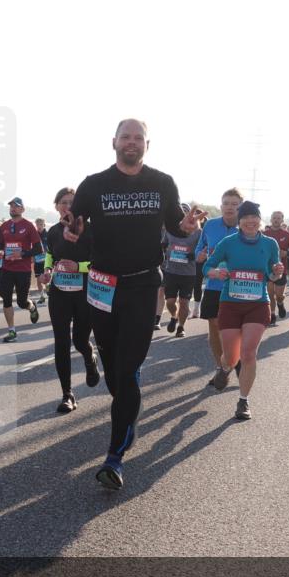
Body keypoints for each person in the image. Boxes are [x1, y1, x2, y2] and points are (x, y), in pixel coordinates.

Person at [67, 118, 203, 490]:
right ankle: (128, 405)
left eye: (138, 138)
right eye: (125, 137)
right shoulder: (94, 184)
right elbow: (75, 226)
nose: (131, 142)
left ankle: (114, 457)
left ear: (147, 144)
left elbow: (174, 225)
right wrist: (72, 231)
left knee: (127, 372)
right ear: (114, 142)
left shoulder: (162, 182)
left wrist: (186, 227)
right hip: (102, 285)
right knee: (114, 372)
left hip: (143, 284)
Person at [203, 201, 284, 420]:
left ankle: (243, 400)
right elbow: (207, 266)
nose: (250, 221)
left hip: (258, 304)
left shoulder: (270, 244)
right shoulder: (228, 242)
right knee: (231, 357)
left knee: (248, 353)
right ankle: (225, 369)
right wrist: (216, 273)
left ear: (259, 220)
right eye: (245, 217)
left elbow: (272, 274)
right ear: (239, 222)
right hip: (230, 303)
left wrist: (277, 272)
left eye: (254, 217)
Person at [39, 187, 99, 412]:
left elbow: (100, 261)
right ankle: (67, 394)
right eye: (63, 202)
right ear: (56, 206)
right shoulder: (54, 231)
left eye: (72, 202)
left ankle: (90, 357)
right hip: (59, 293)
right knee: (61, 342)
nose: (67, 206)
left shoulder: (91, 230)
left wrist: (79, 267)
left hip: (85, 293)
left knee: (80, 340)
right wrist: (47, 271)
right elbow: (50, 255)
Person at [195, 189, 242, 384]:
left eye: (234, 204)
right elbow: (200, 248)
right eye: (226, 203)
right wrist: (200, 255)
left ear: (240, 207)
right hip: (214, 284)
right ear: (221, 206)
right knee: (214, 326)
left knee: (232, 330)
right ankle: (220, 368)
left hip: (237, 287)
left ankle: (234, 359)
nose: (229, 207)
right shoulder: (211, 225)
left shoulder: (246, 227)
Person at [0, 196, 42, 342]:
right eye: (11, 206)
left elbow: (38, 249)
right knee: (6, 299)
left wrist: (22, 254)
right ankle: (12, 331)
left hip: (23, 270)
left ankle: (32, 307)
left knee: (22, 302)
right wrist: (0, 252)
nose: (13, 208)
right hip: (7, 268)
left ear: (22, 209)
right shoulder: (4, 226)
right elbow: (1, 244)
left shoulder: (29, 226)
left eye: (16, 206)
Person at [160, 222, 202, 337]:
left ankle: (181, 327)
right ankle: (174, 316)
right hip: (171, 272)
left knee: (184, 302)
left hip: (188, 274)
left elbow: (204, 248)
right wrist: (162, 250)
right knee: (170, 302)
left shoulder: (198, 233)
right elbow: (163, 244)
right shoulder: (171, 230)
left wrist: (193, 255)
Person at [262, 210, 289, 326]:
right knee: (270, 293)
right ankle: (272, 314)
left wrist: (286, 253)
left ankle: (280, 303)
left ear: (282, 220)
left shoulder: (287, 235)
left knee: (279, 295)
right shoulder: (264, 234)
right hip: (267, 269)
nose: (276, 220)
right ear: (271, 219)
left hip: (281, 269)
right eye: (274, 218)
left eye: (278, 218)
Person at [34, 217, 49, 303]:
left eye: (41, 224)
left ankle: (48, 291)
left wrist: (47, 251)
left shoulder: (48, 234)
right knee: (38, 280)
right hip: (37, 260)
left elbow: (52, 247)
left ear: (44, 225)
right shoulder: (34, 235)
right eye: (37, 225)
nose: (39, 226)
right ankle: (42, 296)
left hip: (47, 261)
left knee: (46, 279)